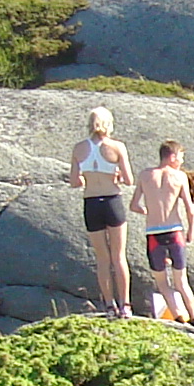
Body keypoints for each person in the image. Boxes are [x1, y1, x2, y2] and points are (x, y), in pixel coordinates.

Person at [68, 107, 135, 317]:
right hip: (112, 201)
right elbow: (128, 179)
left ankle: (109, 304)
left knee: (102, 258)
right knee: (119, 256)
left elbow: (74, 182)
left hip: (91, 203)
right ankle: (125, 305)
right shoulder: (117, 147)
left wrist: (87, 177)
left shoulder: (79, 149)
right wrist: (115, 176)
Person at [135, 139, 194, 326]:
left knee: (162, 282)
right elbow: (191, 210)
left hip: (154, 234)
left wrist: (147, 211)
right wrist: (190, 233)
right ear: (172, 157)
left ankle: (179, 317)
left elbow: (134, 205)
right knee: (181, 281)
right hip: (175, 232)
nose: (182, 161)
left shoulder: (145, 175)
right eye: (181, 157)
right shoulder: (179, 177)